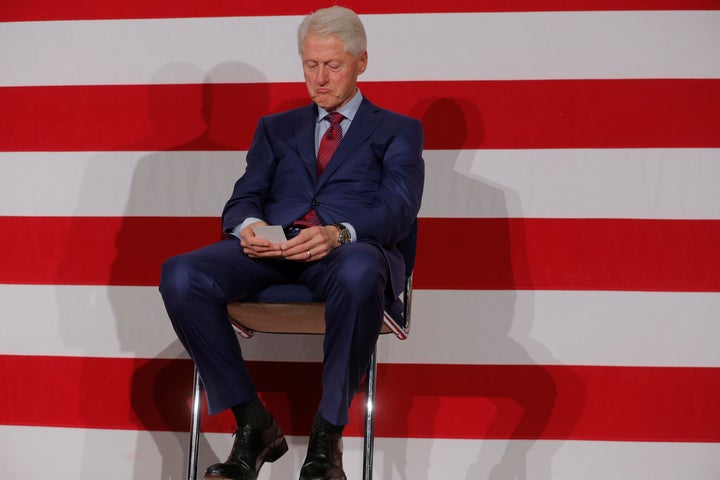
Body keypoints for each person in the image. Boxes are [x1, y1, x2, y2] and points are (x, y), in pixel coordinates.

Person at [159, 6, 424, 480]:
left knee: (361, 269)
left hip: (347, 253)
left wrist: (337, 234)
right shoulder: (275, 129)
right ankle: (252, 422)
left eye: (333, 65)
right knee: (181, 272)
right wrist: (250, 229)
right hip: (276, 250)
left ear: (362, 62)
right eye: (310, 65)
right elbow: (242, 200)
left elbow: (399, 211)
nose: (320, 79)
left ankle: (327, 437)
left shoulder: (398, 131)